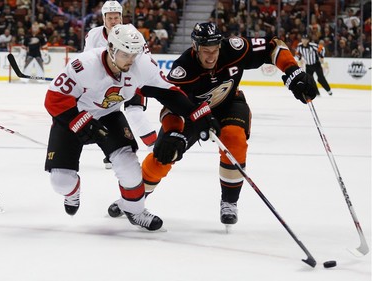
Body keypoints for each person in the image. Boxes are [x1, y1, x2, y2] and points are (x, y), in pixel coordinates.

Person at [107, 22, 318, 227]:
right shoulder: (183, 69)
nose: (211, 56)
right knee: (162, 156)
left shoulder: (234, 49)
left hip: (229, 104)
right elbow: (172, 106)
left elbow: (274, 46)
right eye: (206, 50)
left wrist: (293, 71)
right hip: (192, 113)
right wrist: (172, 133)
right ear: (195, 47)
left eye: (215, 49)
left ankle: (229, 202)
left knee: (234, 138)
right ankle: (133, 200)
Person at [44, 24, 217, 231]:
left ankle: (135, 211)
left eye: (134, 54)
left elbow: (168, 92)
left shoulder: (141, 65)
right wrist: (84, 124)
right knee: (61, 182)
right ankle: (72, 192)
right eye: (126, 54)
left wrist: (197, 113)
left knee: (130, 168)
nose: (131, 60)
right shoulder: (84, 65)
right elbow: (54, 100)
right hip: (75, 115)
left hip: (109, 116)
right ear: (111, 48)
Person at [84, 0, 158, 169]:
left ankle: (156, 148)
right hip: (107, 86)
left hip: (132, 81)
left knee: (134, 113)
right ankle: (112, 152)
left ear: (121, 18)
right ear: (103, 18)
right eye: (110, 18)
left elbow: (145, 60)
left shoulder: (132, 33)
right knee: (104, 115)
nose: (114, 21)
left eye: (117, 17)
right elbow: (87, 60)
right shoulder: (94, 35)